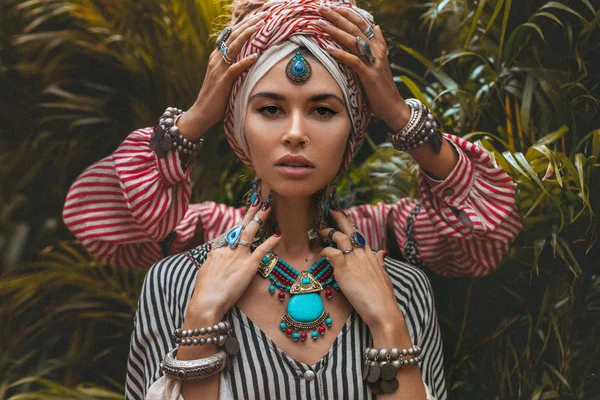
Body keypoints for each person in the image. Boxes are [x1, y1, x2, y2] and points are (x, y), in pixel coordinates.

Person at [63, 0, 523, 398]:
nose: (296, 133)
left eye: (324, 110)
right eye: (269, 109)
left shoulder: (399, 278)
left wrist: (398, 113)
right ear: (239, 123)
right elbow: (99, 216)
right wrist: (198, 116)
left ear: (354, 128)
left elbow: (483, 232)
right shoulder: (179, 280)